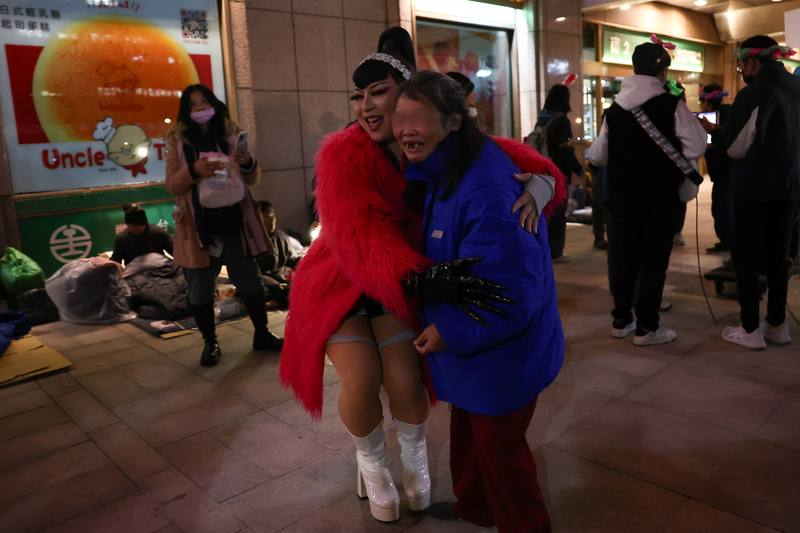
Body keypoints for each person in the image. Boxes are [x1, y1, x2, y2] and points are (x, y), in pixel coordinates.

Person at [279, 27, 566, 524]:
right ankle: (372, 467)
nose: (368, 108)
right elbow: (362, 241)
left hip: (410, 279)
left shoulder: (450, 142)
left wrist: (542, 189)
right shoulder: (344, 154)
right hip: (344, 279)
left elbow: (541, 172)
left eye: (381, 94)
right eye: (359, 96)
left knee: (407, 378)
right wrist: (426, 281)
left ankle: (415, 469)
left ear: (417, 101)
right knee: (363, 377)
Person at [395, 71, 563, 532]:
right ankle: (476, 505)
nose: (404, 128)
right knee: (468, 430)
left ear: (452, 121)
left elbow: (513, 286)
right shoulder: (443, 167)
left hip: (502, 351)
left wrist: (450, 329)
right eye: (399, 116)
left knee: (502, 454)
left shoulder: (486, 187)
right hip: (478, 351)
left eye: (417, 117)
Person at [587, 39, 707, 346]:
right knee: (654, 261)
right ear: (663, 71)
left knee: (624, 257)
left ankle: (621, 320)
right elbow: (697, 145)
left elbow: (597, 155)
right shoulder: (672, 105)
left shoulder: (614, 111)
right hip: (660, 198)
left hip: (622, 198)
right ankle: (648, 327)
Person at [165, 84, 282, 367]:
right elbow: (171, 185)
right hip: (198, 227)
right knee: (200, 289)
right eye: (193, 106)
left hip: (235, 221)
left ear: (215, 104)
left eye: (204, 102)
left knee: (249, 280)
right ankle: (210, 342)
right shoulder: (178, 141)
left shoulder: (230, 134)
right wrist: (195, 170)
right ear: (186, 111)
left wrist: (247, 162)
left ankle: (262, 333)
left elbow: (253, 179)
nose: (200, 110)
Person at [702, 35, 800, 349]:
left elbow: (735, 147)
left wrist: (717, 137)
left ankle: (750, 329)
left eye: (742, 62)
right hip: (789, 188)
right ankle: (777, 325)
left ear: (754, 61)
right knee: (778, 258)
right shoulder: (795, 90)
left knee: (745, 258)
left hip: (754, 189)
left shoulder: (755, 93)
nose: (741, 68)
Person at [528, 84, 584, 260]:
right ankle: (556, 251)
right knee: (558, 212)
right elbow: (565, 150)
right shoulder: (561, 121)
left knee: (544, 211)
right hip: (557, 172)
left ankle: (543, 247)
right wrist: (577, 168)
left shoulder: (542, 119)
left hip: (541, 171)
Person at [699, 84, 733, 253]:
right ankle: (726, 242)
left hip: (726, 171)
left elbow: (726, 139)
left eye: (701, 100)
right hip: (721, 173)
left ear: (708, 101)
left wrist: (712, 132)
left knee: (722, 208)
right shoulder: (727, 113)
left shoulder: (725, 115)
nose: (700, 104)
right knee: (720, 208)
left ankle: (729, 242)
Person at [256, 201, 305, 309]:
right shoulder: (253, 241)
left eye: (273, 217)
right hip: (265, 281)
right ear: (258, 220)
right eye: (267, 217)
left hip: (282, 279)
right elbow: (253, 271)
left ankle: (279, 300)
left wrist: (303, 264)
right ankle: (278, 300)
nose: (271, 221)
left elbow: (292, 260)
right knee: (254, 289)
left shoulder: (281, 237)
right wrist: (274, 284)